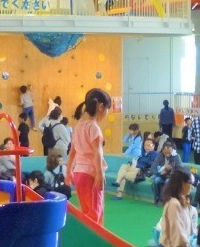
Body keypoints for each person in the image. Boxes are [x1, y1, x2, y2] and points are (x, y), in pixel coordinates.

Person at [67, 88, 111, 222]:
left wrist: (69, 170)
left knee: (87, 212)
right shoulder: (93, 127)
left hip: (79, 173)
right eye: (107, 109)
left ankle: (90, 238)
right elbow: (97, 152)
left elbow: (72, 152)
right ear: (101, 106)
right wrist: (100, 173)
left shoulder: (78, 126)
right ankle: (95, 241)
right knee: (96, 212)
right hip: (91, 174)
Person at [115, 136, 157, 201]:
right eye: (145, 145)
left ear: (153, 146)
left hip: (139, 171)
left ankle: (119, 193)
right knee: (123, 166)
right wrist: (130, 162)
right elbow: (136, 159)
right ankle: (117, 182)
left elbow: (152, 164)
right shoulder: (143, 154)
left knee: (122, 175)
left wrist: (139, 163)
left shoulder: (155, 154)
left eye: (148, 145)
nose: (146, 147)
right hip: (133, 168)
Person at [149, 138, 183, 205]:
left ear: (172, 150)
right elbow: (153, 168)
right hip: (161, 175)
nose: (167, 154)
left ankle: (164, 199)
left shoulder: (176, 157)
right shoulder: (159, 156)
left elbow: (180, 169)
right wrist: (159, 173)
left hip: (172, 177)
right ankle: (157, 198)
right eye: (165, 152)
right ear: (162, 150)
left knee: (167, 182)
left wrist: (170, 172)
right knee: (156, 181)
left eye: (169, 153)